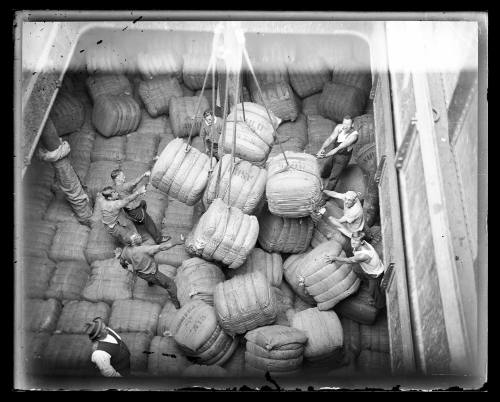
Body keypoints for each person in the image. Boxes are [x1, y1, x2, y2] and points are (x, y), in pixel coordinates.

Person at [115, 237, 185, 308]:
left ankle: (151, 283)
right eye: (136, 237)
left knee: (148, 278)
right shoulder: (144, 249)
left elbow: (122, 260)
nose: (139, 236)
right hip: (152, 274)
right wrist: (176, 242)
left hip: (140, 273)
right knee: (170, 284)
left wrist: (126, 267)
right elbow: (163, 247)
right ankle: (176, 304)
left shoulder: (125, 249)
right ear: (133, 243)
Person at [110, 168, 168, 244]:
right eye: (122, 176)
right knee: (148, 221)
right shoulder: (122, 187)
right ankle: (158, 239)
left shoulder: (114, 187)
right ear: (117, 178)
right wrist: (144, 175)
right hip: (134, 210)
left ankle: (139, 222)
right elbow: (133, 183)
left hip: (128, 209)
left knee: (143, 202)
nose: (124, 177)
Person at [330, 231, 385, 308]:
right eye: (352, 239)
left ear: (362, 242)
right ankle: (370, 284)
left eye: (356, 241)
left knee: (373, 292)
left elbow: (349, 260)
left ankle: (380, 305)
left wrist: (335, 258)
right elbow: (348, 232)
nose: (353, 242)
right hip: (369, 270)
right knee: (357, 269)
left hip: (375, 275)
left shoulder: (362, 255)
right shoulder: (361, 242)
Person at [316, 115, 359, 190]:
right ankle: (323, 178)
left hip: (342, 157)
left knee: (334, 177)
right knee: (326, 168)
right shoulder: (339, 127)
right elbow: (330, 138)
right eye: (344, 123)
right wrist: (322, 149)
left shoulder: (353, 136)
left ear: (352, 125)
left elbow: (338, 148)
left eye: (348, 125)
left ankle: (326, 196)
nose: (345, 126)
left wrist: (325, 155)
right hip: (334, 153)